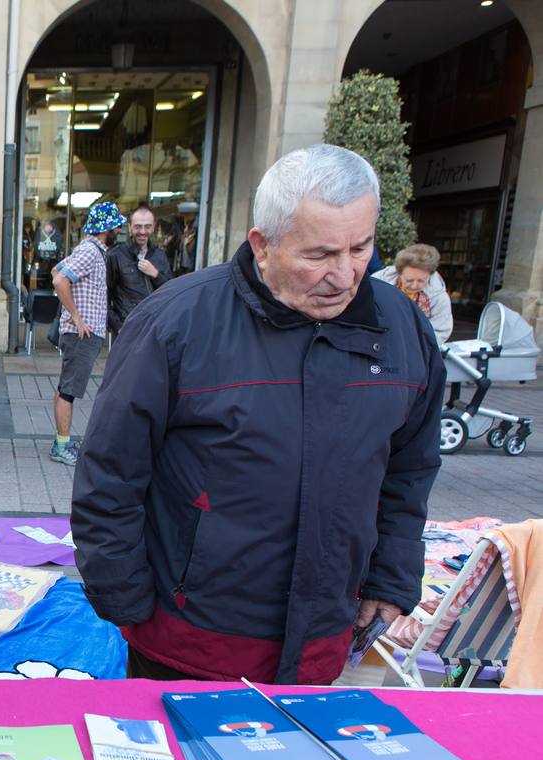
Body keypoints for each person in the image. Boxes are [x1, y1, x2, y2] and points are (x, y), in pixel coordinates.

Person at [71, 144, 445, 685]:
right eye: (319, 255)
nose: (345, 275)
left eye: (361, 248)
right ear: (262, 245)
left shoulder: (404, 329)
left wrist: (391, 576)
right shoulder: (176, 322)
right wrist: (123, 594)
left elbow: (410, 469)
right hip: (191, 640)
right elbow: (110, 471)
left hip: (324, 636)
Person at [48, 201, 124, 466]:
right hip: (83, 334)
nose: (119, 231)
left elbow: (56, 270)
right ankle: (61, 447)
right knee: (69, 391)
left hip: (81, 333)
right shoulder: (92, 251)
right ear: (108, 228)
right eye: (117, 226)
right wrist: (77, 316)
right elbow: (59, 280)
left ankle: (63, 441)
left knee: (65, 387)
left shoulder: (89, 249)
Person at [105, 204, 172, 334]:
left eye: (147, 226)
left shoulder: (160, 255)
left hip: (154, 327)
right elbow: (103, 296)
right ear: (130, 227)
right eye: (138, 226)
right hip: (127, 327)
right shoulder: (116, 255)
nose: (142, 231)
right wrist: (117, 326)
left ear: (153, 227)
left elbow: (171, 291)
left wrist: (156, 274)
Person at [372, 243, 452, 344]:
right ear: (399, 273)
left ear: (430, 275)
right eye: (409, 280)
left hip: (418, 349)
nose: (414, 286)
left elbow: (440, 332)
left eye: (421, 281)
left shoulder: (439, 298)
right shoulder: (378, 282)